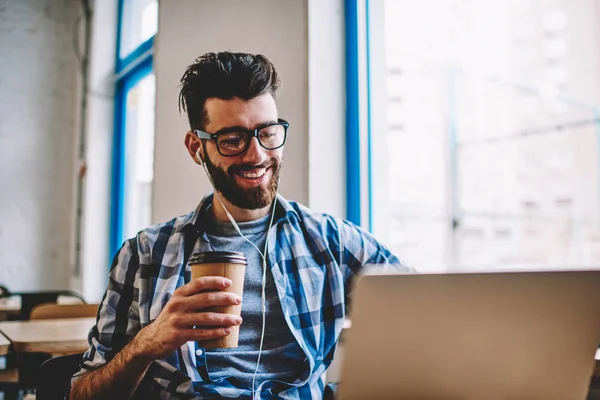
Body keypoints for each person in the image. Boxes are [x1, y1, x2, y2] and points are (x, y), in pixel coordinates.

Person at [70, 51, 410, 399]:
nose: (257, 155)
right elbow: (82, 393)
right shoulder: (144, 254)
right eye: (232, 139)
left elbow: (427, 318)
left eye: (268, 132)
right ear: (197, 148)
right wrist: (148, 342)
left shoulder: (333, 242)